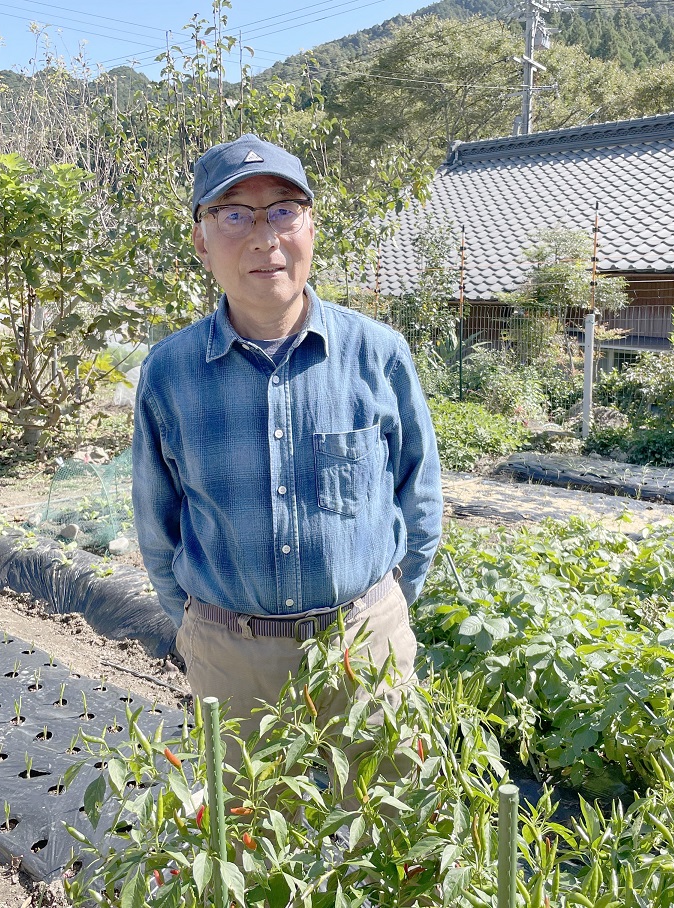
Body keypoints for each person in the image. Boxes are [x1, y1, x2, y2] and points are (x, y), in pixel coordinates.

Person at [131, 134, 443, 742]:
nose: (263, 235)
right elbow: (156, 522)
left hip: (365, 644)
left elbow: (419, 492)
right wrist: (203, 628)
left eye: (282, 210)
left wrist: (387, 609)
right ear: (201, 239)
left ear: (310, 228)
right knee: (254, 827)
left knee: (385, 828)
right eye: (233, 214)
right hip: (232, 657)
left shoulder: (376, 355)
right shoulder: (168, 374)